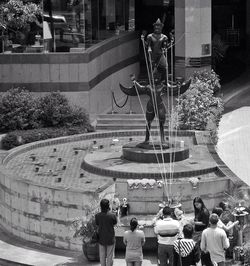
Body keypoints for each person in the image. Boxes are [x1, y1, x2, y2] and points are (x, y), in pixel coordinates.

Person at [95, 199, 117, 266]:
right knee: (110, 256)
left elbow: (97, 224)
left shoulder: (97, 216)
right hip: (110, 238)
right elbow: (115, 223)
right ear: (108, 206)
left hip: (101, 238)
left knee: (102, 256)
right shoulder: (112, 215)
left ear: (101, 206)